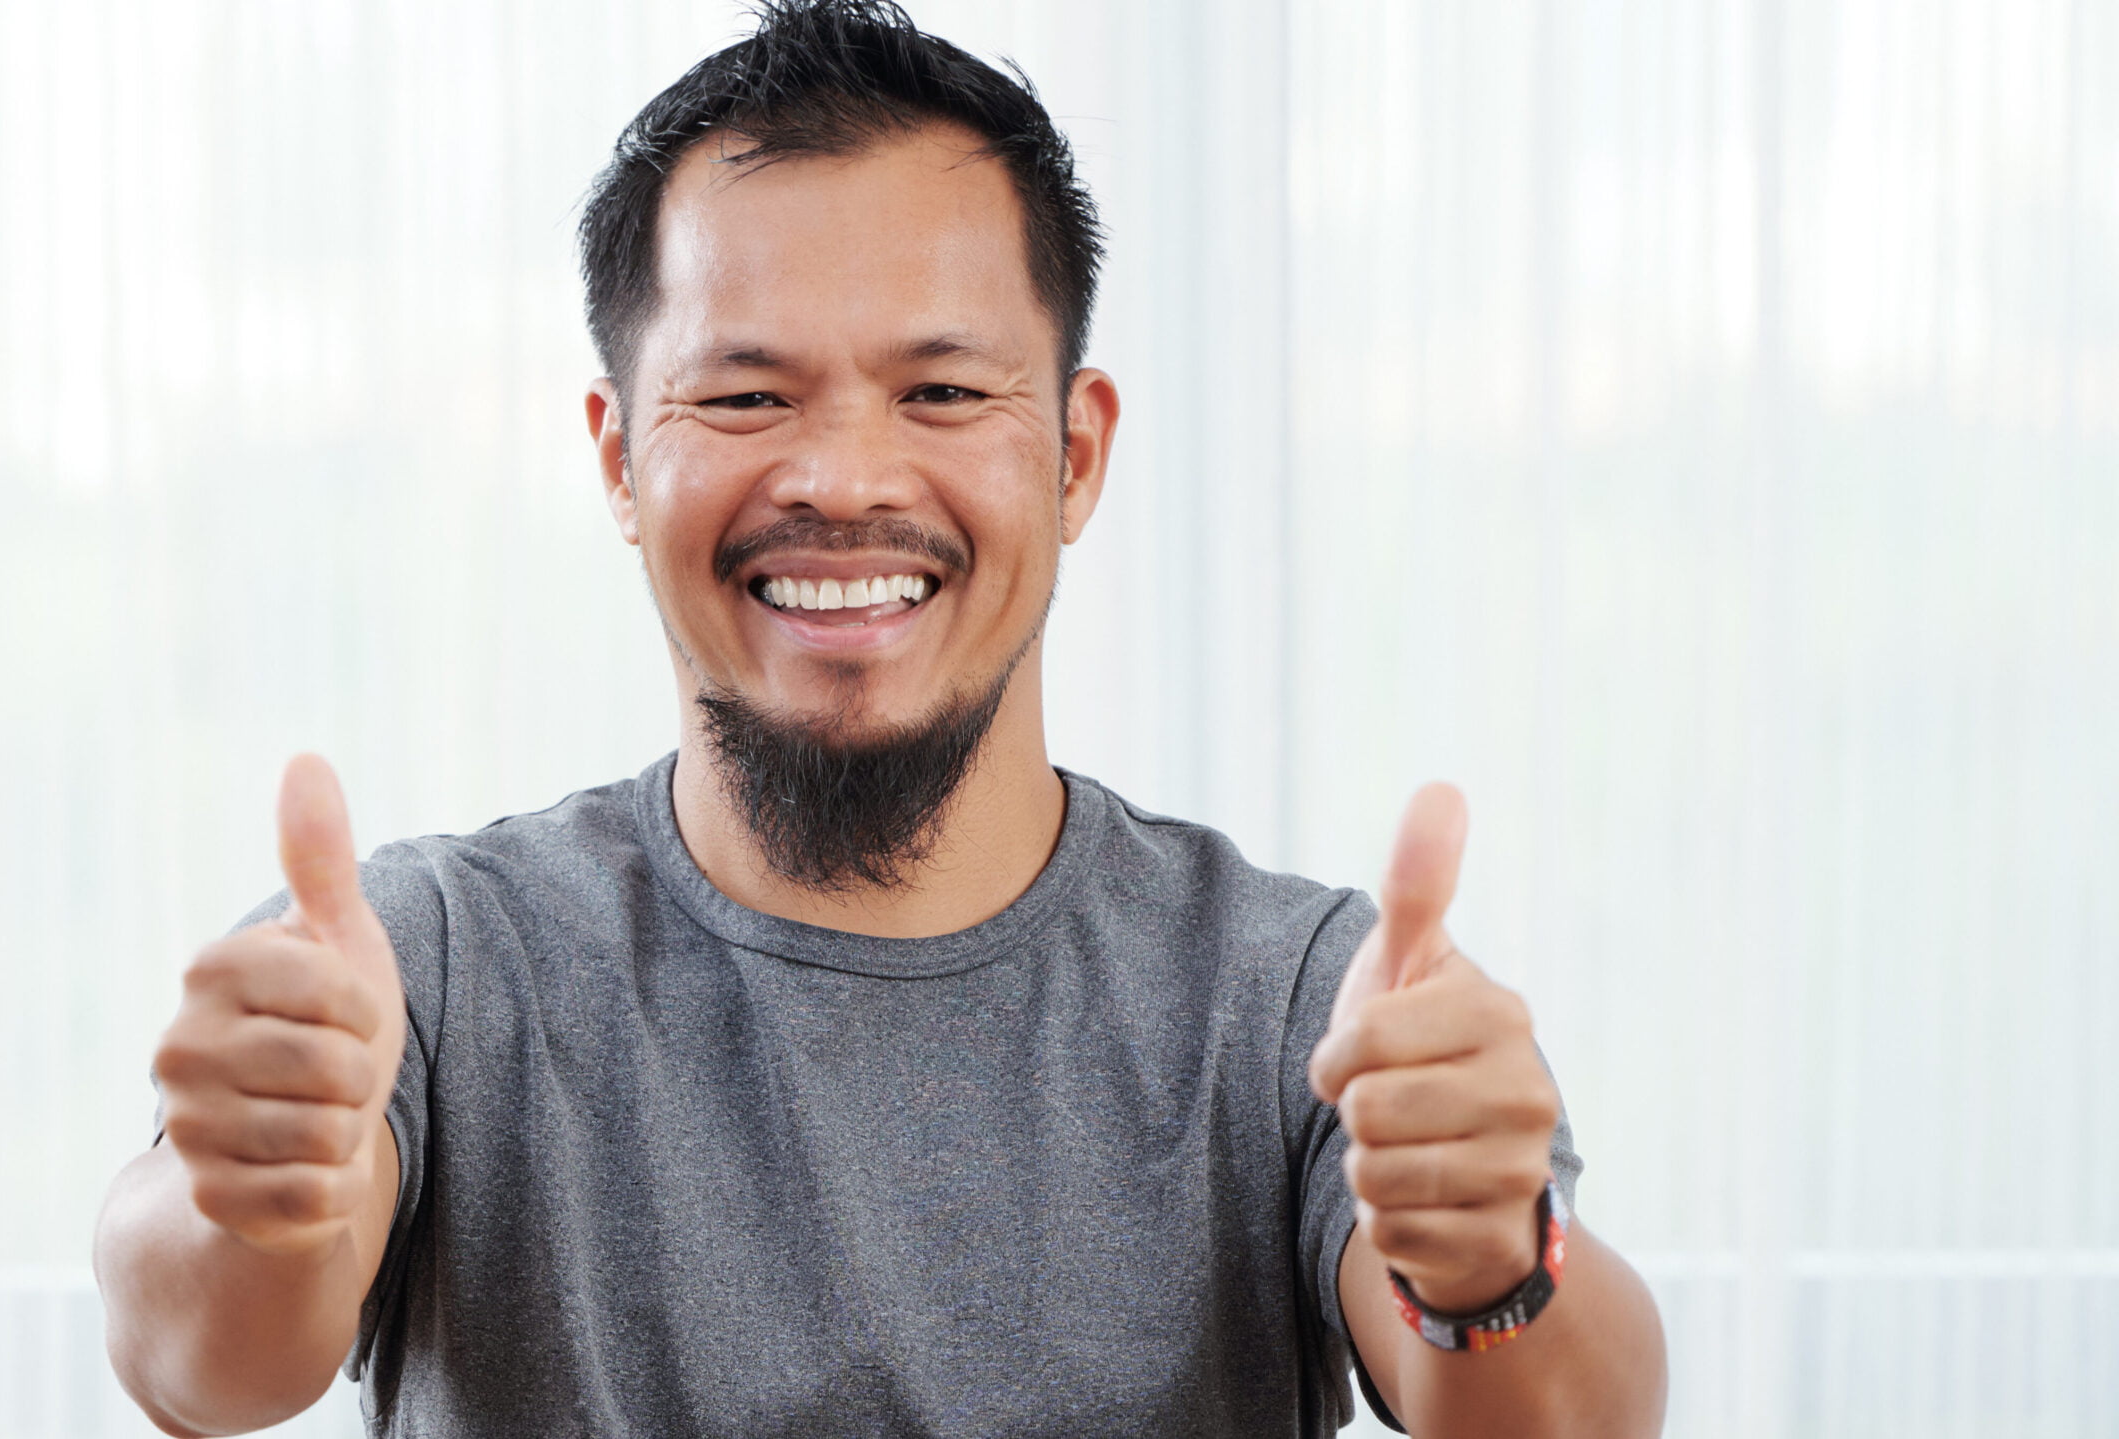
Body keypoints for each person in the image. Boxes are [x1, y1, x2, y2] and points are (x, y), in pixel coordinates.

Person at [92, 2, 1668, 1434]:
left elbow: (1571, 1418)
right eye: (745, 395)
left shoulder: (1299, 1004)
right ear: (620, 460)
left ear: (1074, 456)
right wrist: (253, 1203)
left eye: (943, 393)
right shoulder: (422, 966)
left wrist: (1491, 1262)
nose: (843, 478)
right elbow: (202, 1360)